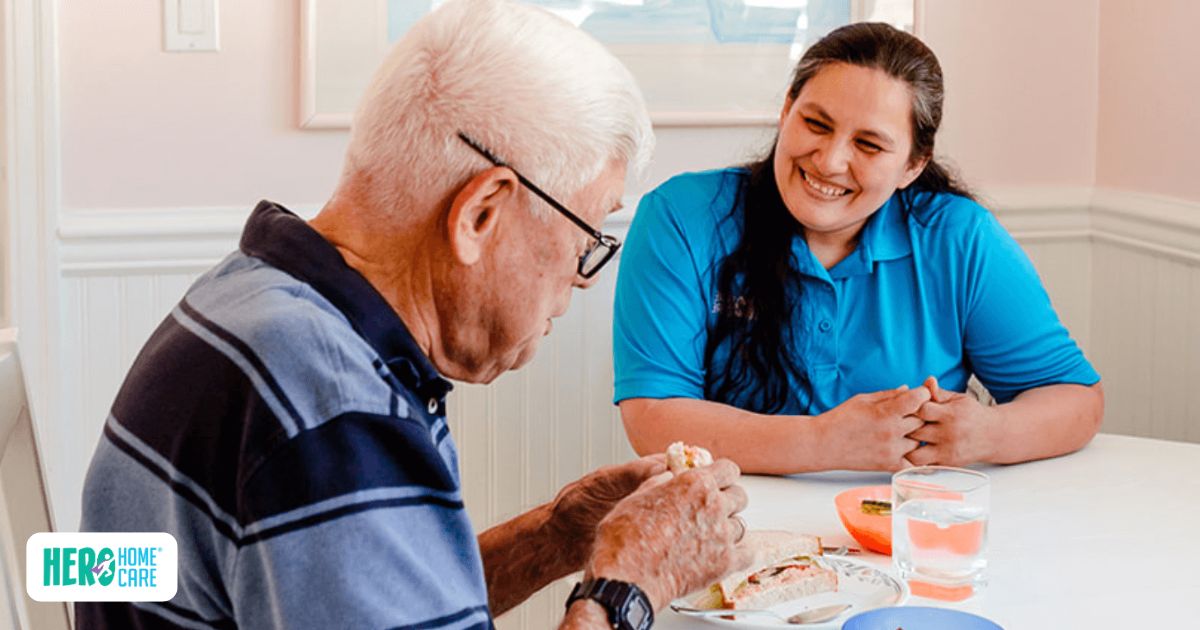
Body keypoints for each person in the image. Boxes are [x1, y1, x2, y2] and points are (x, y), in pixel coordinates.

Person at [76, 1, 751, 628]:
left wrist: (558, 533)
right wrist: (624, 587)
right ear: (481, 214)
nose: (579, 280)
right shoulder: (335, 411)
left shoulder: (258, 300)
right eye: (587, 239)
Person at [613, 22, 1104, 475]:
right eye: (816, 124)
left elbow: (1077, 400)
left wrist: (987, 433)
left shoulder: (959, 239)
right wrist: (825, 442)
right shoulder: (680, 216)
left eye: (869, 145)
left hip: (907, 530)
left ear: (912, 165)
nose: (829, 161)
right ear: (786, 112)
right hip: (730, 525)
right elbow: (652, 417)